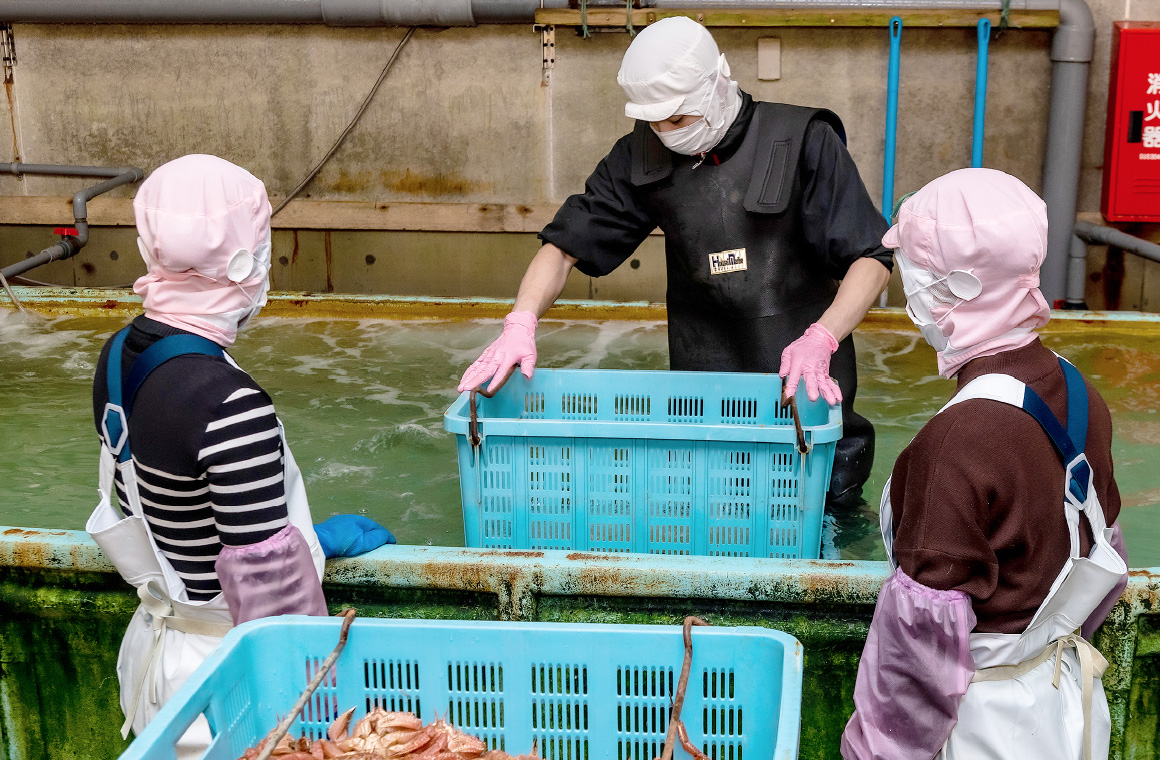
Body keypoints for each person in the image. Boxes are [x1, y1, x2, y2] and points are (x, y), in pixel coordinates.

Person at [457, 16, 892, 504]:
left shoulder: (803, 140)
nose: (666, 132)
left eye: (679, 119)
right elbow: (561, 250)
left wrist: (823, 336)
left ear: (716, 84)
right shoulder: (642, 156)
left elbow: (872, 257)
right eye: (654, 121)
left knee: (822, 524)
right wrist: (520, 321)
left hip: (806, 405)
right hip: (706, 418)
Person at [88, 154, 394, 754]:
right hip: (227, 685)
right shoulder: (228, 401)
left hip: (161, 656)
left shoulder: (118, 354)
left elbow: (156, 509)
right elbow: (271, 599)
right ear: (240, 259)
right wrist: (316, 545)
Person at [841, 168, 1130, 760]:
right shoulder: (1078, 393)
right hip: (1068, 706)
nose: (907, 286)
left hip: (983, 726)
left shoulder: (955, 444)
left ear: (957, 287)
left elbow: (918, 656)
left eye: (915, 272)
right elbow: (1107, 555)